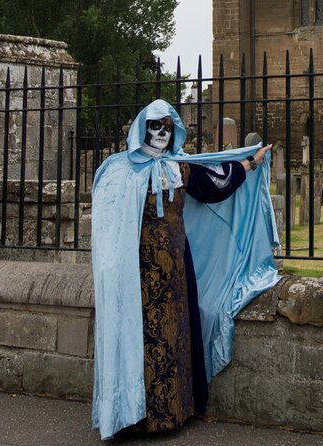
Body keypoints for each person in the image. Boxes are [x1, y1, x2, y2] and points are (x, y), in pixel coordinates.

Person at [90, 99, 280, 439]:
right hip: (136, 274)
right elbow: (108, 229)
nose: (162, 133)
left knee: (173, 338)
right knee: (138, 340)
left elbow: (216, 186)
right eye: (155, 126)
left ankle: (170, 414)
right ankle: (132, 416)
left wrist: (251, 162)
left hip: (176, 271)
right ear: (141, 128)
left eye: (167, 127)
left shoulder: (179, 168)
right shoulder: (119, 171)